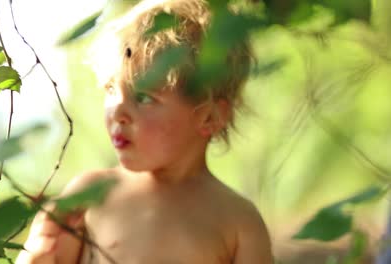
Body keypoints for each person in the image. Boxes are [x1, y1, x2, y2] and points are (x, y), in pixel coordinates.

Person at [16, 0, 274, 263]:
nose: (118, 112)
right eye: (111, 89)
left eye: (144, 98)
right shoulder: (90, 195)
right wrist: (35, 257)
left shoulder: (238, 222)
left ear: (210, 116)